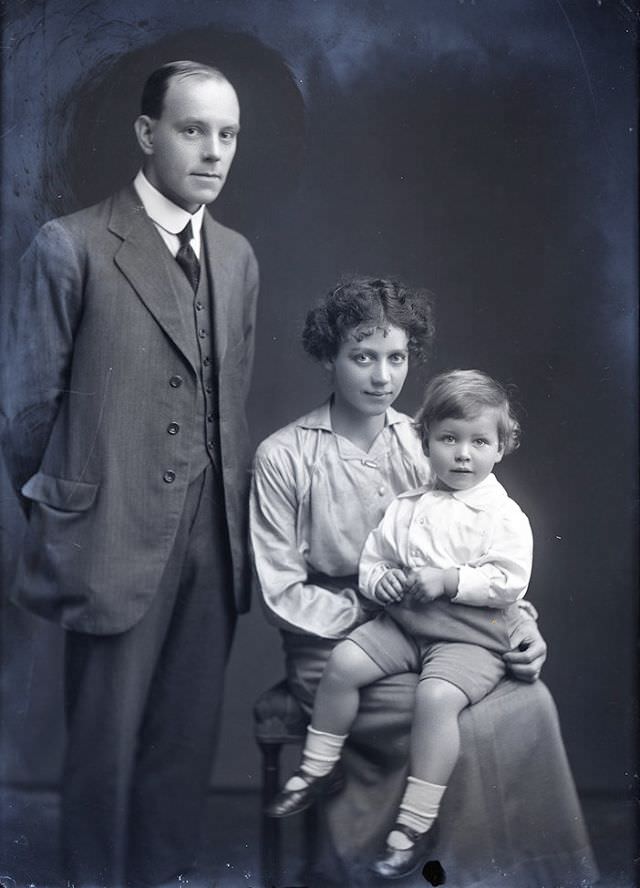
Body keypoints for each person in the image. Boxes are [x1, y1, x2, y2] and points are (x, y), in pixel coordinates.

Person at [0, 61, 258, 888]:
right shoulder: (71, 244)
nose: (213, 152)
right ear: (148, 135)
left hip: (211, 534)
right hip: (108, 528)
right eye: (193, 130)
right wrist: (77, 510)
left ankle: (163, 876)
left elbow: (232, 397)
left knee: (184, 737)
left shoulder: (237, 256)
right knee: (105, 742)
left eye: (227, 134)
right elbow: (28, 416)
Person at [250, 280, 596, 887]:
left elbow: (479, 549)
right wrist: (380, 615)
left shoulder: (428, 439)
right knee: (463, 718)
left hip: (438, 628)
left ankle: (513, 876)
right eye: (362, 356)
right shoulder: (284, 455)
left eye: (397, 357)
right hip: (334, 643)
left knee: (527, 699)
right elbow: (282, 592)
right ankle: (399, 863)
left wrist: (521, 625)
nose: (382, 376)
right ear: (329, 356)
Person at [266, 369, 534, 880]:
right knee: (345, 660)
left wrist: (451, 580)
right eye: (448, 439)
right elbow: (376, 559)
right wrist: (380, 581)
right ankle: (319, 765)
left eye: (480, 442)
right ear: (425, 441)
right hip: (406, 625)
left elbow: (510, 581)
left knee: (435, 699)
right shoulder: (408, 506)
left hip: (468, 637)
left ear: (501, 447)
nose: (462, 454)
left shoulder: (503, 515)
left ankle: (415, 821)